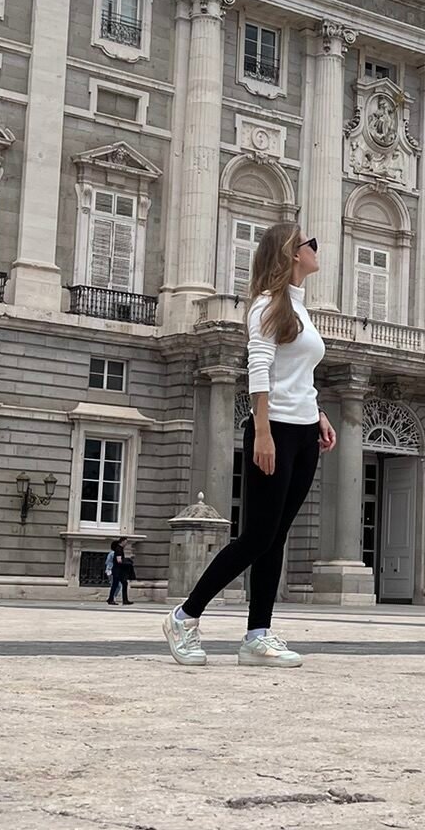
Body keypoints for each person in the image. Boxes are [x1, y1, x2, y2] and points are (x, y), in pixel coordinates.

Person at [164, 224, 336, 669]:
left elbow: (297, 373)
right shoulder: (266, 304)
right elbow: (260, 368)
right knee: (256, 536)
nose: (317, 249)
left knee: (275, 537)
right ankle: (185, 616)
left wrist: (317, 415)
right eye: (309, 244)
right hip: (273, 429)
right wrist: (262, 431)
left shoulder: (301, 306)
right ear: (291, 254)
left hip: (302, 431)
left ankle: (257, 634)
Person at [107, 537, 134, 607]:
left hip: (119, 570)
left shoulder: (119, 549)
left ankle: (124, 600)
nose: (126, 543)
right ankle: (111, 599)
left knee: (123, 583)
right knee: (115, 585)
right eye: (126, 542)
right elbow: (119, 560)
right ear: (122, 542)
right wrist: (127, 561)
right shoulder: (119, 549)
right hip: (117, 570)